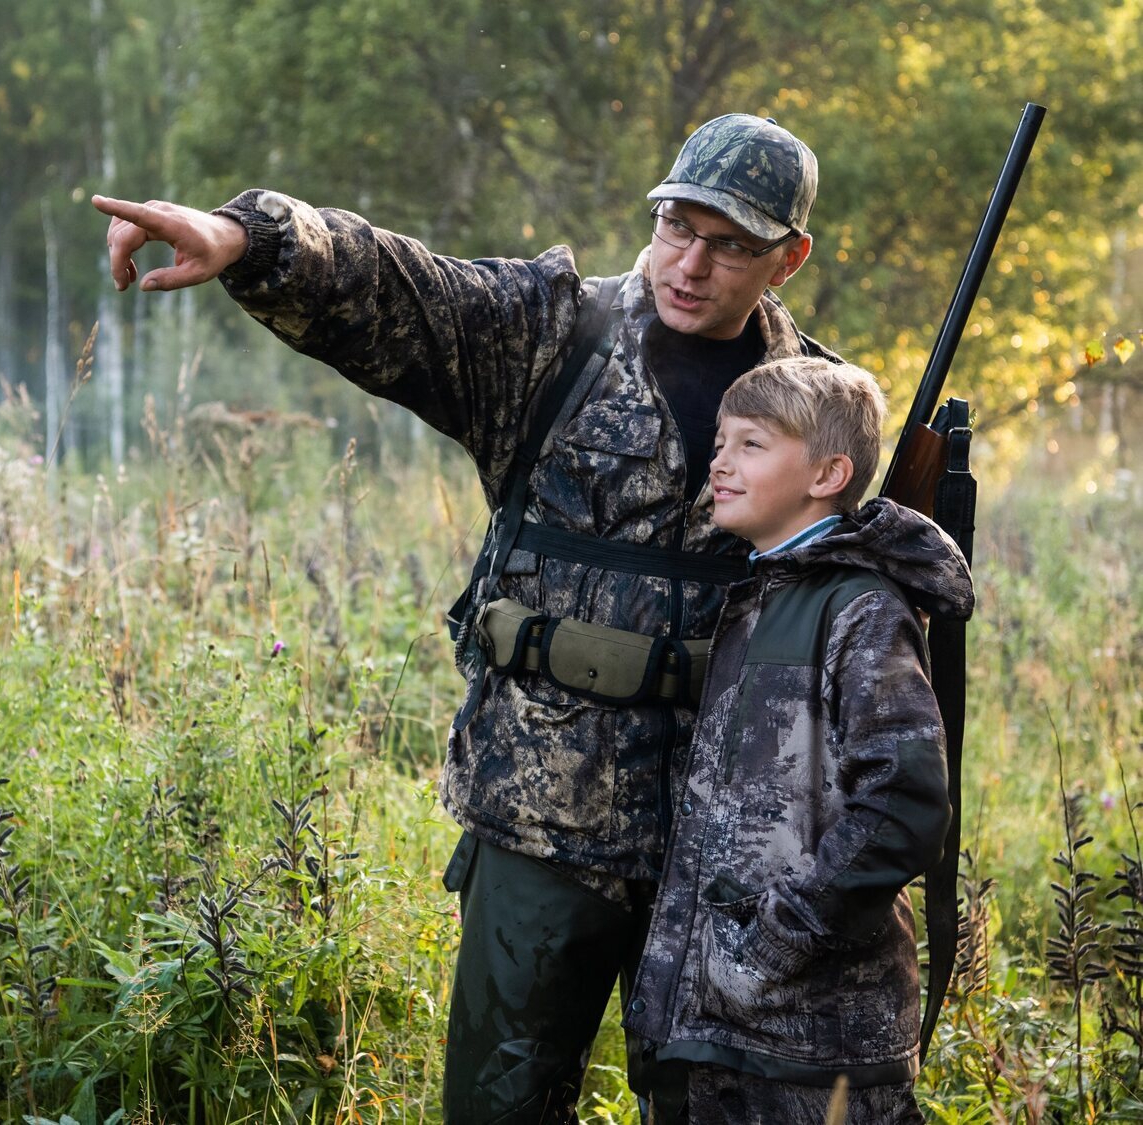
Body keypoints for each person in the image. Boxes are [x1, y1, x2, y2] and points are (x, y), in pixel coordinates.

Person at [95, 114, 831, 1122]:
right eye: (676, 226)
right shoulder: (551, 335)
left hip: (732, 841)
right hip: (543, 822)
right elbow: (397, 284)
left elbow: (867, 610)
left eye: (731, 244)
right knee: (501, 1107)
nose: (691, 264)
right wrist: (250, 240)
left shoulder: (823, 413)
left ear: (787, 257)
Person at [625, 356, 975, 1123]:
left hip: (810, 1047)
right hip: (720, 1034)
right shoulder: (754, 594)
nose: (720, 461)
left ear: (828, 473)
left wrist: (773, 943)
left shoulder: (860, 611)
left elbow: (904, 805)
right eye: (720, 441)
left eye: (751, 444)